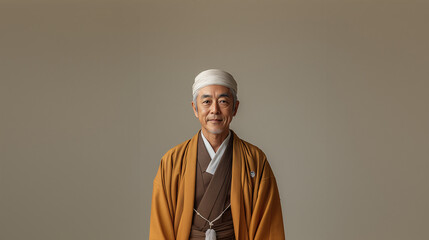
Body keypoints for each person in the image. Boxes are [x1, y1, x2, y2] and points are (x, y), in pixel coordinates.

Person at [149, 69, 285, 240]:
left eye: (223, 101)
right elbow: (160, 228)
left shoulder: (255, 160)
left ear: (235, 108)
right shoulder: (172, 161)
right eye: (206, 101)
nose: (214, 110)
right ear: (195, 108)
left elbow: (269, 227)